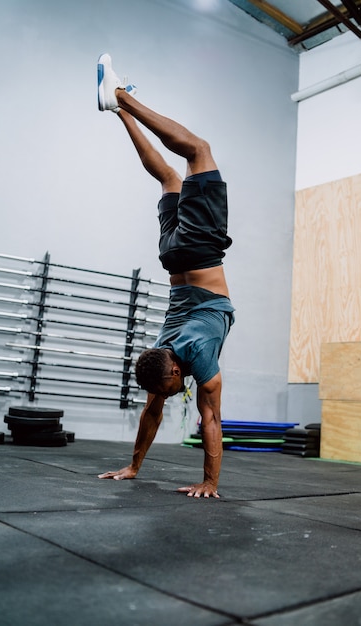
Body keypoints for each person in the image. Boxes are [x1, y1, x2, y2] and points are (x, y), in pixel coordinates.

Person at [97, 54, 234, 498]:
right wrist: (132, 467)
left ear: (174, 366)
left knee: (199, 151)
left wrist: (210, 482)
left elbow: (210, 418)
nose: (173, 393)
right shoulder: (161, 361)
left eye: (172, 386)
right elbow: (151, 413)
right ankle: (119, 110)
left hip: (197, 254)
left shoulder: (195, 361)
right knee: (170, 177)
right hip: (173, 260)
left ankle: (120, 96)